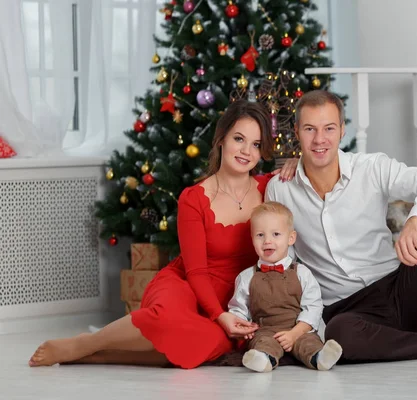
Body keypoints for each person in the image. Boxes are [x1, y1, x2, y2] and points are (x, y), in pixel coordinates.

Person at [29, 100, 299, 368]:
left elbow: (315, 169)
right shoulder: (193, 198)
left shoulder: (270, 188)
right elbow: (196, 272)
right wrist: (219, 315)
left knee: (204, 343)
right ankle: (85, 344)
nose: (246, 151)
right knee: (165, 319)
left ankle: (97, 356)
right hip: (189, 284)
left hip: (234, 298)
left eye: (255, 144)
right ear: (221, 139)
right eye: (239, 138)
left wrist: (296, 161)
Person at [266, 90, 417, 367]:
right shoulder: (280, 190)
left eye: (329, 128)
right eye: (310, 129)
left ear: (343, 130)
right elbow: (286, 260)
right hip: (348, 312)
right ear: (297, 131)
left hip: (402, 290)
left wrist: (415, 220)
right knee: (339, 336)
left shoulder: (371, 168)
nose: (320, 139)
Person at [228, 201, 343, 372]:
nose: (267, 241)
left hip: (298, 327)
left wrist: (295, 333)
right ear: (252, 239)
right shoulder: (246, 277)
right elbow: (238, 307)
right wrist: (243, 326)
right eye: (260, 235)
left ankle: (320, 357)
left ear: (291, 238)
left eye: (276, 234)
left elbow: (313, 307)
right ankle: (263, 359)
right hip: (266, 329)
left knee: (308, 342)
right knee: (263, 343)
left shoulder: (302, 273)